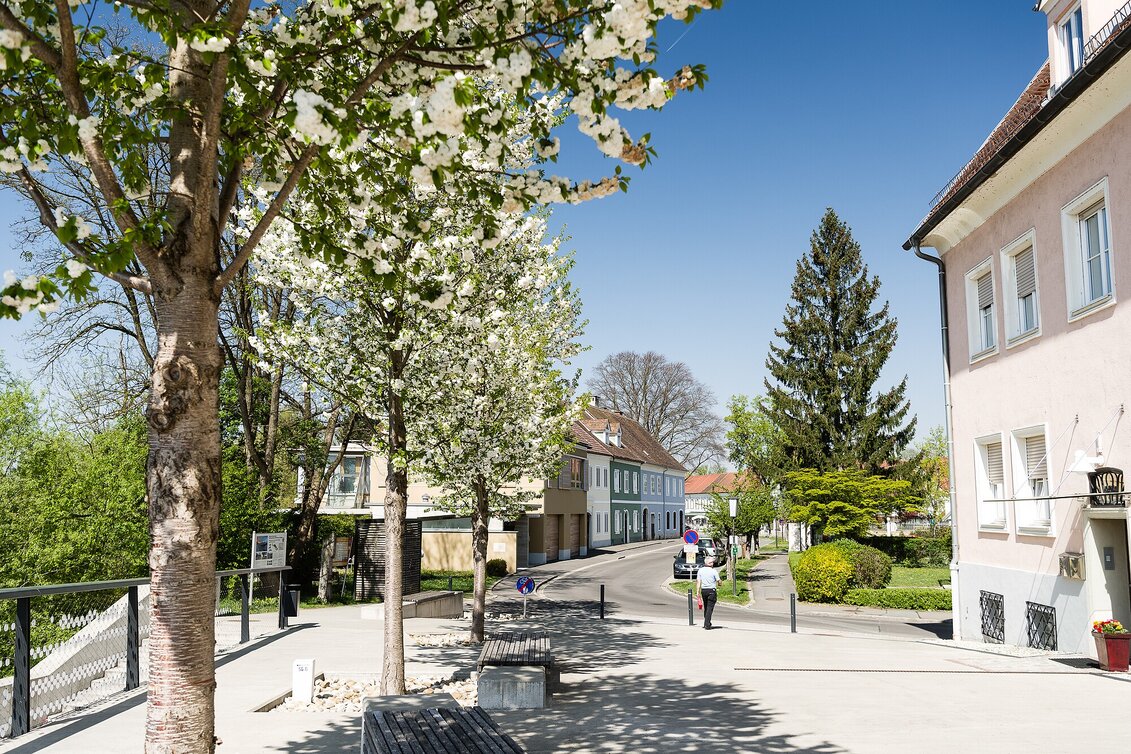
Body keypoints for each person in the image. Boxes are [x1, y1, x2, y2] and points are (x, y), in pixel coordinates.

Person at [695, 556, 720, 629]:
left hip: (704, 591)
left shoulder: (700, 570)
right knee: (710, 608)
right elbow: (719, 581)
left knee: (706, 607)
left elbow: (698, 581)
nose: (713, 563)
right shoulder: (714, 571)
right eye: (712, 562)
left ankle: (707, 621)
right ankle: (707, 624)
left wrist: (697, 592)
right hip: (711, 590)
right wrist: (720, 583)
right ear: (710, 563)